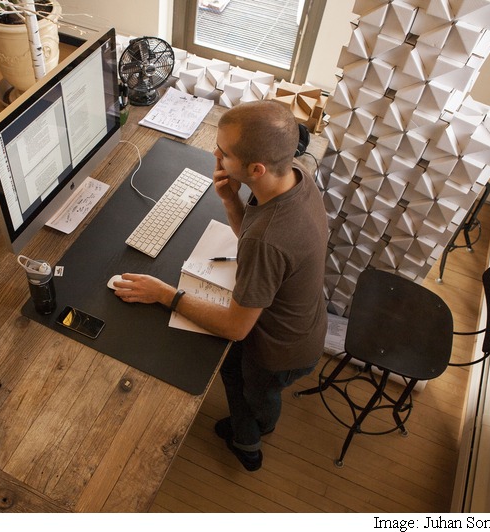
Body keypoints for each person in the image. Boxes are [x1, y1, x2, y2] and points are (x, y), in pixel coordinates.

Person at [112, 99, 328, 471]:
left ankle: (249, 441)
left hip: (279, 352)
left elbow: (235, 327)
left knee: (244, 384)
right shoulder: (295, 176)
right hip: (305, 322)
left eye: (224, 153)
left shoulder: (269, 238)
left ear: (256, 169)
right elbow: (256, 237)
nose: (215, 155)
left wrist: (164, 294)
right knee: (250, 382)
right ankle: (263, 419)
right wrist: (230, 200)